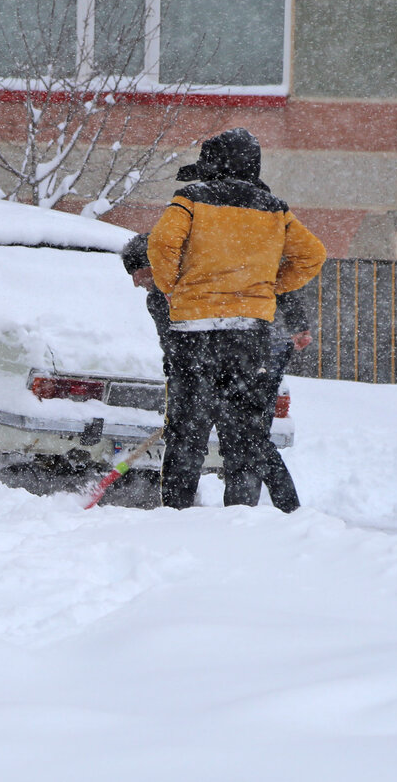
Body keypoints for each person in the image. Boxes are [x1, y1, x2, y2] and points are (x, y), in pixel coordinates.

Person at [146, 128, 326, 511]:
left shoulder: (190, 200)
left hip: (194, 332)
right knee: (246, 433)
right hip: (250, 336)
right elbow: (313, 255)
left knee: (187, 432)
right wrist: (270, 288)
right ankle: (241, 517)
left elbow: (162, 244)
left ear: (210, 165)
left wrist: (172, 286)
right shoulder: (275, 209)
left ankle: (175, 512)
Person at [121, 233, 313, 512]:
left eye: (137, 271)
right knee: (186, 444)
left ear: (157, 263)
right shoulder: (158, 300)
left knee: (247, 442)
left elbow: (270, 277)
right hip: (202, 373)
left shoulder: (210, 271)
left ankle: (261, 513)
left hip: (250, 362)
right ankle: (175, 516)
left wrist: (297, 323)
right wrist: (185, 395)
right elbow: (175, 350)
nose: (135, 281)